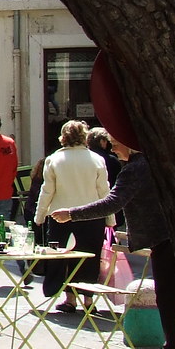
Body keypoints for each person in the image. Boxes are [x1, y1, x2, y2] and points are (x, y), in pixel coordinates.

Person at [51, 135, 175, 349]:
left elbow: (112, 203)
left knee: (169, 297)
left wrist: (72, 213)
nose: (113, 147)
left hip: (164, 238)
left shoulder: (136, 168)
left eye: (116, 142)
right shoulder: (156, 162)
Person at [34, 120, 111, 311]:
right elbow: (104, 191)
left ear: (63, 137)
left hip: (62, 216)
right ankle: (88, 300)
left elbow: (47, 191)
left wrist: (40, 215)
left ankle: (70, 299)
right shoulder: (96, 160)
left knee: (64, 257)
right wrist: (110, 218)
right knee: (90, 258)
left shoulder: (54, 159)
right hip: (92, 216)